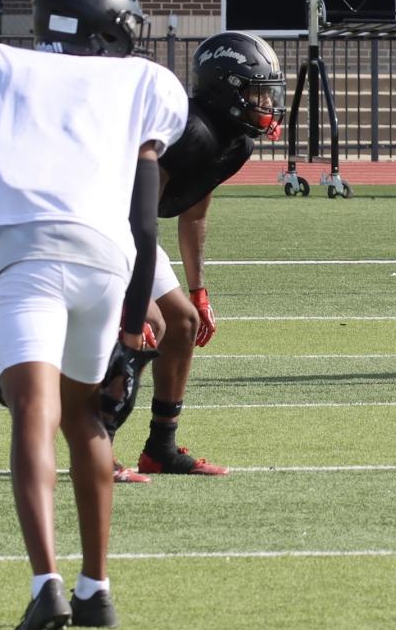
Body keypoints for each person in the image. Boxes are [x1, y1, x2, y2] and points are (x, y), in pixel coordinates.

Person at [0, 0, 188, 630]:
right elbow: (145, 223)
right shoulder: (143, 82)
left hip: (25, 255)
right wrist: (132, 310)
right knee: (85, 414)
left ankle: (44, 583)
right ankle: (97, 588)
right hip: (106, 259)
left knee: (34, 411)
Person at [117, 30, 289, 480]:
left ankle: (161, 448)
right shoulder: (189, 132)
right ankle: (96, 444)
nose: (267, 105)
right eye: (256, 92)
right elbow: (130, 210)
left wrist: (199, 290)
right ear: (225, 89)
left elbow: (192, 215)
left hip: (133, 228)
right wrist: (128, 298)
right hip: (103, 224)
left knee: (184, 323)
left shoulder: (236, 142)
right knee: (144, 323)